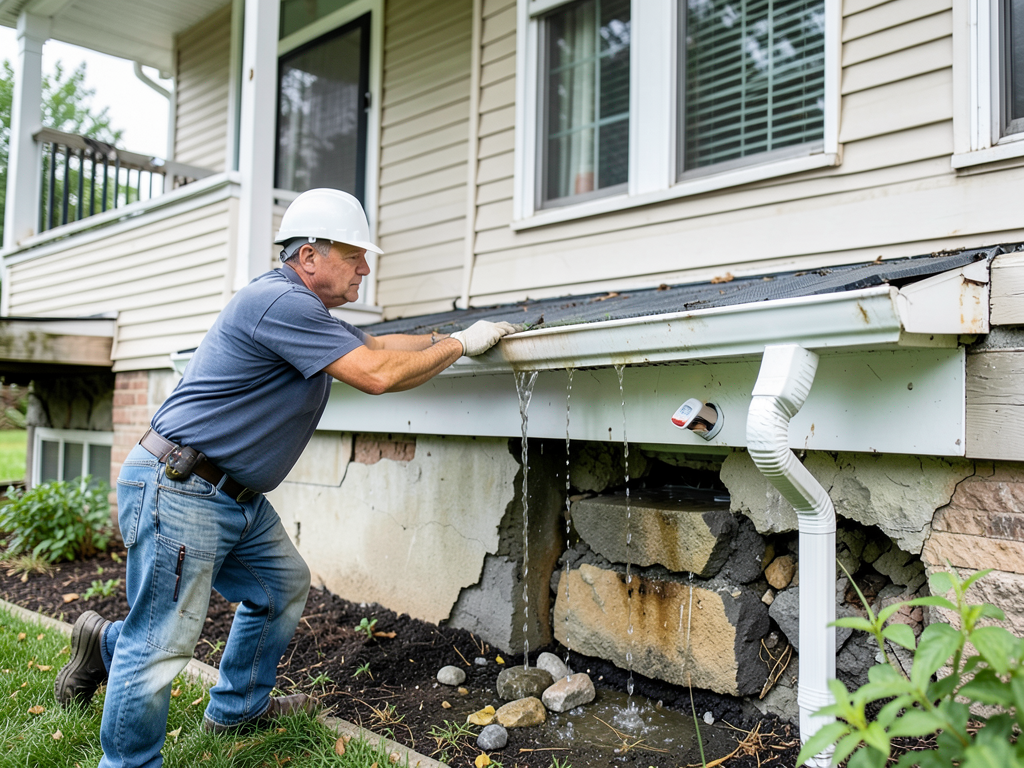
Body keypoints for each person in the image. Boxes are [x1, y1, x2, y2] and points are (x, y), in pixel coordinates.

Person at [53, 188, 516, 768]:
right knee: (162, 640)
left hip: (232, 496)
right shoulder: (280, 303)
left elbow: (376, 345)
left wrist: (455, 338)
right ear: (310, 256)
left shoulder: (308, 313)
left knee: (279, 589)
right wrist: (455, 345)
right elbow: (375, 373)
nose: (365, 269)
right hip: (183, 485)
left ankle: (234, 706)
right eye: (355, 257)